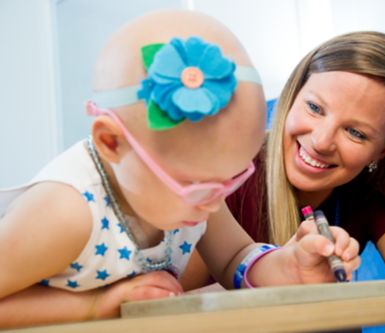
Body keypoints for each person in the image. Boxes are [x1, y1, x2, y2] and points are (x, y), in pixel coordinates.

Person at [0, 10, 360, 328]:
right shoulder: (67, 213)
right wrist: (95, 305)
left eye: (230, 179)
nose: (213, 204)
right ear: (112, 143)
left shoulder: (198, 192)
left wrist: (292, 265)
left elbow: (236, 259)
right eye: (197, 186)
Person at [224, 31, 385, 289]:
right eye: (314, 108)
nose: (321, 141)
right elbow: (185, 302)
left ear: (383, 151)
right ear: (293, 96)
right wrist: (280, 272)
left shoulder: (369, 192)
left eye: (355, 133)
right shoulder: (228, 171)